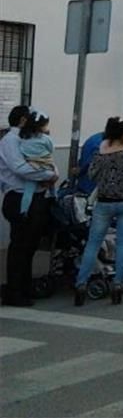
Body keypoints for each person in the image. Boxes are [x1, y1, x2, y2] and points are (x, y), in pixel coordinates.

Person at [74, 117, 123, 306]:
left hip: (104, 202)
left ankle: (81, 283)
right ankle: (118, 284)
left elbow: (92, 175)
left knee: (93, 243)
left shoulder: (100, 154)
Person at [1, 107, 58, 306]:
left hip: (37, 197)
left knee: (30, 245)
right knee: (20, 245)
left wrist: (51, 173)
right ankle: (14, 291)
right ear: (24, 120)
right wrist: (48, 176)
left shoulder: (33, 138)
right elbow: (19, 168)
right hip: (18, 197)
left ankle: (24, 287)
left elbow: (48, 158)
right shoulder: (10, 140)